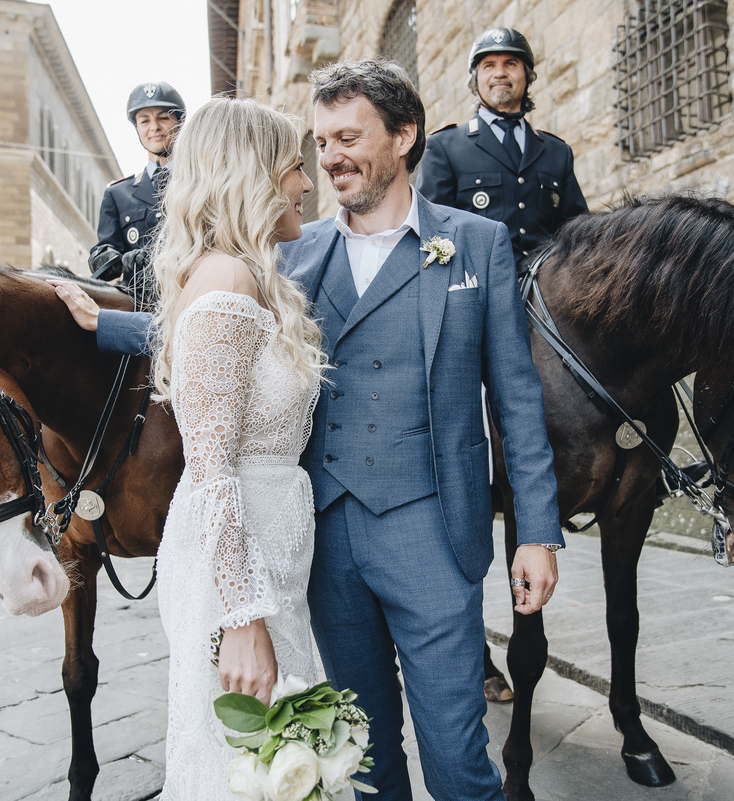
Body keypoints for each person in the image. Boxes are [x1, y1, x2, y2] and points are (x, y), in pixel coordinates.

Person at [278, 58, 563, 801]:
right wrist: (104, 324)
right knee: (363, 756)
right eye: (322, 141)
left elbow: (516, 396)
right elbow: (218, 332)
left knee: (459, 758)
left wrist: (536, 530)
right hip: (326, 536)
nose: (330, 156)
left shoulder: (476, 243)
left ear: (404, 135)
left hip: (435, 530)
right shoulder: (294, 254)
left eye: (348, 135)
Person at [48, 97, 324, 799]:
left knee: (279, 762)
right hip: (238, 576)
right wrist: (242, 620)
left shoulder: (249, 278)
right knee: (248, 768)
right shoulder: (227, 283)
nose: (305, 184)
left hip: (270, 563)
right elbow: (211, 468)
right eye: (295, 167)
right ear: (252, 176)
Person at [417, 28, 588, 268]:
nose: (500, 73)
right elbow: (431, 234)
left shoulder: (558, 152)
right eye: (489, 66)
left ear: (527, 76)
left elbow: (580, 233)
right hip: (480, 296)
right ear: (475, 80)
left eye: (511, 64)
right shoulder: (444, 147)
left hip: (546, 299)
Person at [89, 81, 186, 289]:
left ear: (180, 121)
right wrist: (119, 260)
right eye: (144, 121)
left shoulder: (199, 183)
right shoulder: (118, 194)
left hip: (188, 294)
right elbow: (100, 259)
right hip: (136, 304)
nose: (154, 128)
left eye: (163, 118)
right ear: (136, 128)